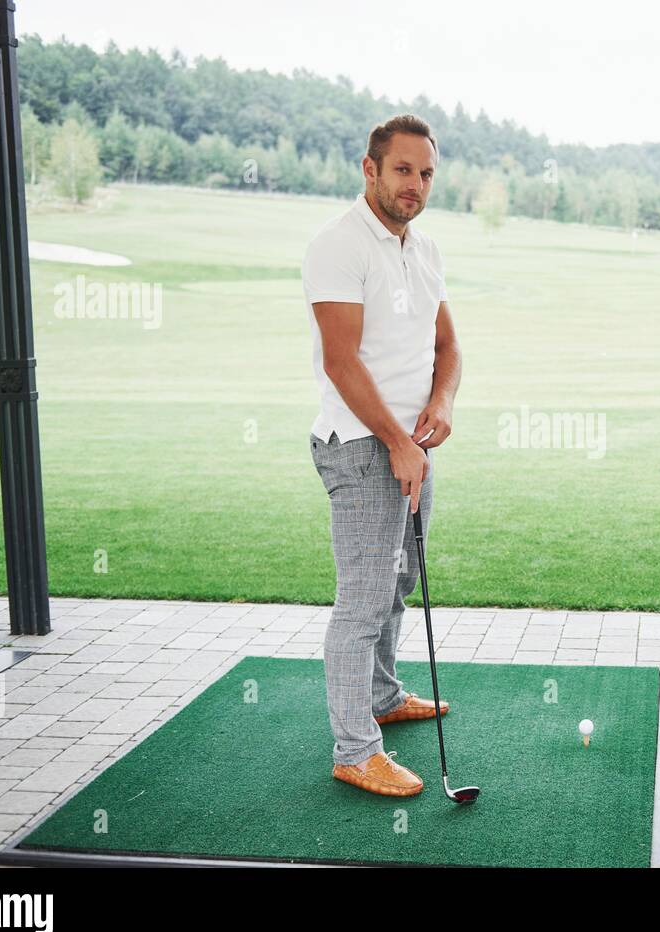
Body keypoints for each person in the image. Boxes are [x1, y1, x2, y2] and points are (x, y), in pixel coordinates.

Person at [302, 114, 462, 797]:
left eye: (426, 173)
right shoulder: (338, 246)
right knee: (362, 603)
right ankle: (354, 747)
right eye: (403, 170)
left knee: (397, 585)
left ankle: (385, 694)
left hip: (410, 450)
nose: (415, 185)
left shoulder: (423, 249)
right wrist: (397, 442)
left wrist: (443, 404)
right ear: (370, 169)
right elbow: (342, 362)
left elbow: (448, 348)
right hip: (362, 446)